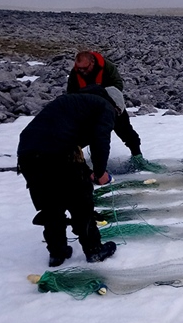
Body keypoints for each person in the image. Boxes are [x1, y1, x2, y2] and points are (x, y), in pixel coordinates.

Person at [17, 88, 123, 267]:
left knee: (50, 205)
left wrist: (86, 170)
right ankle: (94, 250)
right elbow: (100, 140)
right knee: (80, 202)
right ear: (115, 106)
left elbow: (68, 140)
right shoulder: (105, 106)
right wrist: (100, 172)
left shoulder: (76, 101)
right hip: (57, 153)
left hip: (28, 156)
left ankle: (57, 253)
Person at [67, 50, 142, 158]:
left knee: (127, 133)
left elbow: (118, 85)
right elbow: (71, 94)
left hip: (113, 106)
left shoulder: (108, 67)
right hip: (89, 111)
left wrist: (102, 95)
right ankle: (77, 161)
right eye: (79, 69)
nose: (82, 71)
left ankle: (138, 157)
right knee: (87, 137)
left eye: (85, 68)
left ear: (92, 62)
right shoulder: (75, 73)